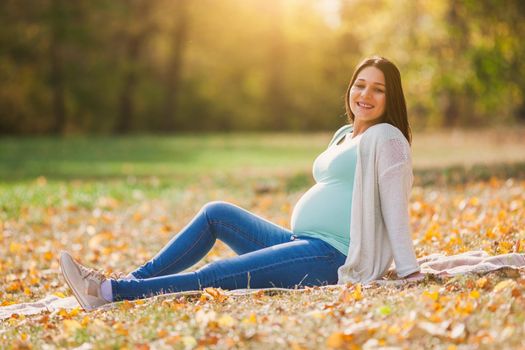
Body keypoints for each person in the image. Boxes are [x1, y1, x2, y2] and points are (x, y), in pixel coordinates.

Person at [59, 56, 421, 311]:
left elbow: (394, 208)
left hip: (333, 257)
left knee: (218, 275)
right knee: (217, 214)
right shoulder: (345, 134)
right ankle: (131, 280)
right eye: (360, 85)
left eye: (378, 90)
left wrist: (409, 271)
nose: (365, 96)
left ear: (391, 100)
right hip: (302, 244)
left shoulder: (387, 138)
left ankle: (110, 292)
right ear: (350, 88)